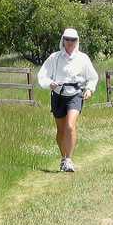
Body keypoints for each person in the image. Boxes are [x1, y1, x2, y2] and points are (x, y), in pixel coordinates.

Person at [37, 28, 98, 172]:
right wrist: (49, 83)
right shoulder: (54, 58)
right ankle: (63, 158)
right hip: (58, 95)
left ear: (77, 41)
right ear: (63, 40)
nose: (70, 42)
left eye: (73, 40)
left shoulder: (83, 58)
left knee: (70, 126)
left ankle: (69, 159)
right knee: (61, 130)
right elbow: (42, 76)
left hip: (75, 95)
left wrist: (89, 89)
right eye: (67, 39)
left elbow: (93, 77)